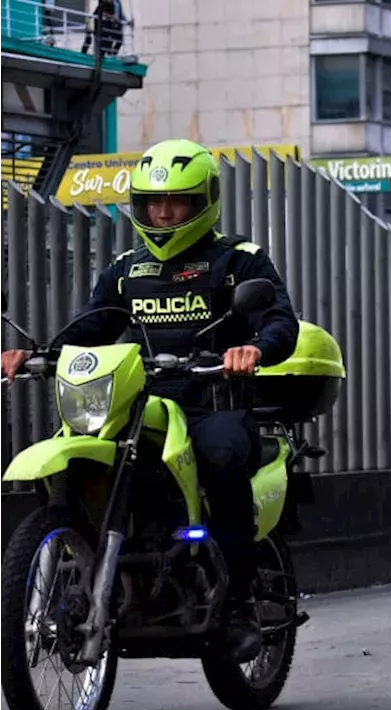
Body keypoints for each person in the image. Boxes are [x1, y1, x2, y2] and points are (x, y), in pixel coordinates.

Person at [0, 139, 300, 663]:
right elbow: (94, 325)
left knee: (222, 457)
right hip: (141, 403)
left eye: (177, 202)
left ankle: (236, 604)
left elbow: (279, 320)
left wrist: (254, 348)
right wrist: (37, 354)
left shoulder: (238, 260)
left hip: (213, 401)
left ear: (202, 200)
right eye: (153, 202)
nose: (163, 213)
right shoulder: (126, 268)